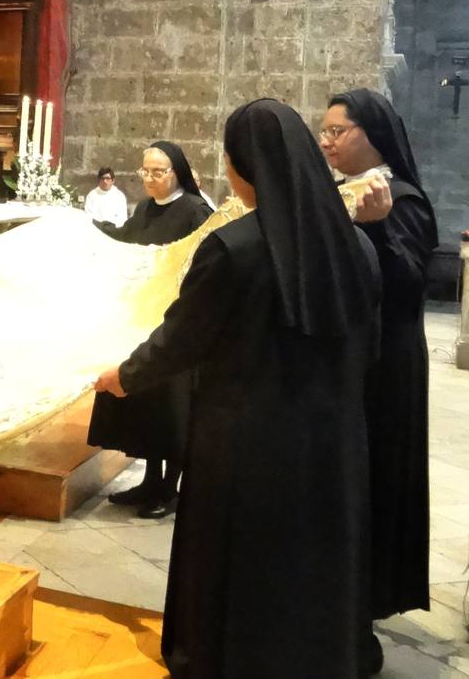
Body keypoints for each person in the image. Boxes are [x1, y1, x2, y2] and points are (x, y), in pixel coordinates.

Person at [95, 99, 382, 678]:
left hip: (246, 439)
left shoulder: (234, 248)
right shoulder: (358, 246)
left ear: (245, 166)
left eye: (228, 160)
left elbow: (182, 339)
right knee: (314, 554)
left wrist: (122, 378)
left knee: (242, 560)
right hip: (332, 437)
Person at [321, 89, 437, 662]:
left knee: (374, 485)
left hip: (385, 371)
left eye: (337, 131)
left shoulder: (404, 199)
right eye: (324, 132)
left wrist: (382, 230)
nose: (326, 141)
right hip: (344, 365)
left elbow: (411, 287)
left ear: (372, 135)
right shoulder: (336, 193)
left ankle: (360, 619)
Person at [89, 141, 211, 518]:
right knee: (144, 404)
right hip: (143, 318)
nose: (150, 179)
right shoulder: (143, 209)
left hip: (176, 321)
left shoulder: (195, 210)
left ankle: (169, 488)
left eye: (159, 172)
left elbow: (204, 259)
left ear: (177, 172)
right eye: (145, 171)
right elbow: (128, 241)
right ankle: (149, 481)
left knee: (171, 406)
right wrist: (92, 229)